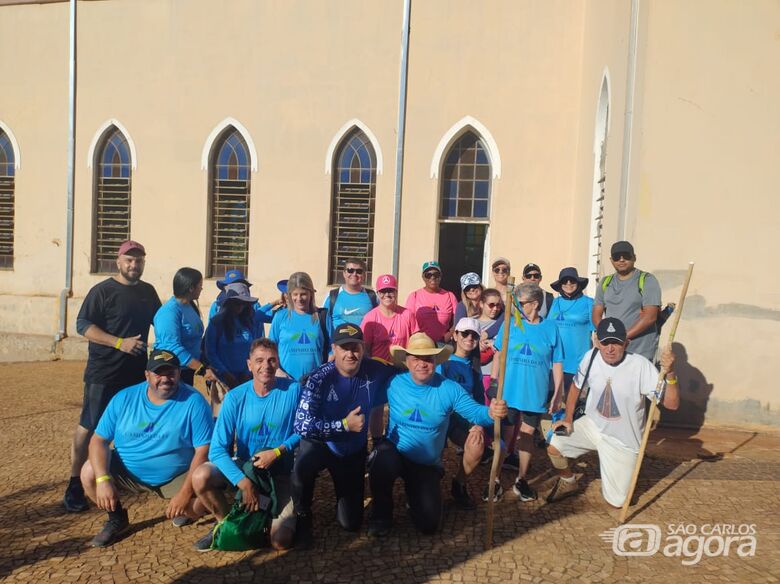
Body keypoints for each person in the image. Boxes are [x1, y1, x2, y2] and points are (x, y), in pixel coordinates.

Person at [368, 332, 507, 536]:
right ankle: (381, 515)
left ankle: (415, 494)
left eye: (428, 359)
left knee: (429, 524)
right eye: (416, 358)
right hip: (395, 453)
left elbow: (477, 413)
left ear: (436, 361)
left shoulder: (449, 388)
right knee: (379, 460)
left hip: (426, 463)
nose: (422, 364)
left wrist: (491, 412)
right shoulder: (393, 383)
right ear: (406, 361)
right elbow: (362, 392)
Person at [63, 240, 162, 513]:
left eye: (139, 260)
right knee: (90, 426)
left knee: (132, 426)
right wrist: (120, 343)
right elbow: (83, 325)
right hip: (103, 373)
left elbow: (161, 321)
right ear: (118, 262)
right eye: (129, 260)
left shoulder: (147, 292)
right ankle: (74, 484)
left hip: (136, 373)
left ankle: (124, 477)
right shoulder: (102, 291)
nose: (134, 265)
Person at [80, 350, 214, 547]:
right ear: (147, 375)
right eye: (158, 373)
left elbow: (204, 450)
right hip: (128, 471)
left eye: (171, 373)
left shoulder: (194, 401)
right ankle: (117, 519)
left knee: (198, 499)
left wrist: (184, 493)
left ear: (179, 373)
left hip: (176, 476)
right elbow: (98, 441)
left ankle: (192, 510)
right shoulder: (124, 398)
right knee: (88, 471)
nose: (165, 379)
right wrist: (103, 480)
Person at [543, 317, 679, 507]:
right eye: (605, 342)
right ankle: (568, 482)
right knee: (554, 444)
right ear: (598, 342)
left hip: (623, 441)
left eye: (616, 342)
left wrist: (670, 373)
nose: (610, 348)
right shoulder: (591, 357)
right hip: (592, 426)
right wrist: (568, 418)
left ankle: (622, 472)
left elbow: (671, 404)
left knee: (619, 501)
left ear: (626, 342)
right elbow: (575, 386)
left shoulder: (640, 366)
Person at [191, 339, 301, 551]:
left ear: (278, 363)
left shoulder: (293, 390)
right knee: (200, 476)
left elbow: (303, 430)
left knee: (281, 541)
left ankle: (270, 513)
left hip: (281, 471)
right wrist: (243, 482)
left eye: (271, 360)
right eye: (259, 360)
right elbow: (216, 449)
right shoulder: (234, 397)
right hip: (246, 467)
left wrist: (278, 452)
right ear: (249, 364)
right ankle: (225, 523)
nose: (266, 366)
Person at [291, 324, 395, 548]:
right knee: (303, 462)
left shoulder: (376, 369)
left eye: (355, 348)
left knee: (351, 523)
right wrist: (344, 425)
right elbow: (301, 424)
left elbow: (410, 371)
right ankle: (302, 516)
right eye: (344, 348)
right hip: (323, 445)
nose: (350, 354)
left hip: (353, 452)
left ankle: (344, 502)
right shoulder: (319, 377)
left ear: (363, 348)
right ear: (334, 350)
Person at [486, 282, 563, 502]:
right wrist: (493, 382)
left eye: (521, 304)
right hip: (508, 391)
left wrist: (558, 392)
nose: (517, 308)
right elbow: (498, 354)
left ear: (535, 304)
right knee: (503, 435)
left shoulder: (550, 328)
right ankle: (495, 479)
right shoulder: (509, 325)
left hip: (534, 393)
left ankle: (521, 479)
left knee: (527, 436)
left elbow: (557, 362)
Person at [438, 318, 492, 508]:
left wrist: (477, 424)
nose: (469, 338)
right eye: (465, 333)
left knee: (477, 446)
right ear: (455, 335)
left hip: (464, 421)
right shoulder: (442, 362)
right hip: (442, 418)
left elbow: (478, 399)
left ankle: (459, 482)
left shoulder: (475, 367)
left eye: (474, 335)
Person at [593, 241, 662, 362]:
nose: (621, 260)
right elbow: (596, 312)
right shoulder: (605, 282)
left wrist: (622, 337)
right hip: (612, 350)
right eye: (616, 256)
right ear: (611, 260)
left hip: (639, 351)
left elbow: (650, 317)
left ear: (634, 257)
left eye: (626, 255)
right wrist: (605, 335)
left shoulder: (647, 280)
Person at [153, 267, 215, 386]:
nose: (201, 288)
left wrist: (204, 361)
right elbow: (172, 348)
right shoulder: (169, 312)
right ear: (191, 288)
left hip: (187, 370)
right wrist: (201, 369)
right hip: (171, 372)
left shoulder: (189, 306)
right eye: (200, 285)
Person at [205, 282, 266, 389]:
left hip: (246, 378)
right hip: (223, 381)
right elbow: (210, 352)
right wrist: (225, 373)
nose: (240, 306)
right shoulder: (216, 323)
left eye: (243, 303)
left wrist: (248, 371)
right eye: (237, 302)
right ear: (229, 303)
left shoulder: (248, 322)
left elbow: (253, 349)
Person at [268, 272, 327, 381]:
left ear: (311, 294)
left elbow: (332, 350)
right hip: (285, 382)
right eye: (295, 294)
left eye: (303, 294)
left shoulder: (322, 317)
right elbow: (269, 349)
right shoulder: (280, 317)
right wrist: (277, 371)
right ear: (289, 295)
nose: (299, 298)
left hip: (315, 383)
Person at [549, 267, 595, 393]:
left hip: (577, 363)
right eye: (565, 281)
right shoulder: (554, 302)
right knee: (554, 404)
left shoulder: (589, 303)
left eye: (572, 281)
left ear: (578, 283)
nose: (568, 284)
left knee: (573, 405)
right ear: (560, 285)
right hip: (554, 362)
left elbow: (595, 335)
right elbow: (548, 329)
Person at [360, 273, 417, 363]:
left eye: (390, 290)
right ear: (378, 293)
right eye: (383, 291)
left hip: (402, 368)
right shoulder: (370, 318)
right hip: (379, 369)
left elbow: (416, 343)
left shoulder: (407, 314)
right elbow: (365, 349)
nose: (387, 294)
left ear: (396, 292)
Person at [405, 261, 458, 344]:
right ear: (423, 277)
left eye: (436, 275)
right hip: (421, 345)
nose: (432, 277)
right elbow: (408, 323)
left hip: (443, 344)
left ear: (440, 276)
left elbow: (457, 322)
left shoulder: (450, 296)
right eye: (428, 275)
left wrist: (446, 338)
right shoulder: (414, 296)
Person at [322, 258, 378, 336]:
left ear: (364, 275)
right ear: (344, 273)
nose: (354, 274)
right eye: (350, 270)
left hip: (363, 346)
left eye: (359, 271)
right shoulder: (332, 296)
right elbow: (323, 323)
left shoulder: (373, 296)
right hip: (338, 347)